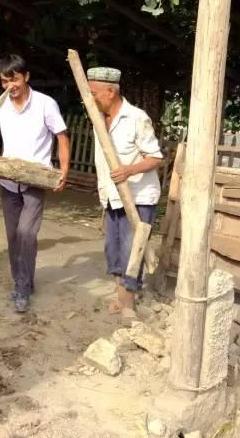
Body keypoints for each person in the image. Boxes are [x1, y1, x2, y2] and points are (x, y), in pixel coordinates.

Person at [0, 54, 70, 313]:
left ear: (25, 77)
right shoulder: (1, 105)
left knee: (27, 233)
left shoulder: (45, 105)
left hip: (36, 181)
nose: (9, 86)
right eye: (4, 81)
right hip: (7, 182)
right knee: (14, 237)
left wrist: (63, 170)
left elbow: (61, 137)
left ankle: (22, 288)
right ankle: (23, 280)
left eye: (14, 79)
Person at [87, 66, 163, 322]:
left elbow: (155, 157)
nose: (91, 98)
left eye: (94, 92)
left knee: (132, 249)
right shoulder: (98, 118)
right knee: (113, 247)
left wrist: (129, 170)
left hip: (138, 196)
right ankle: (120, 294)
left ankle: (128, 301)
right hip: (112, 195)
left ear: (111, 91)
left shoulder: (136, 118)